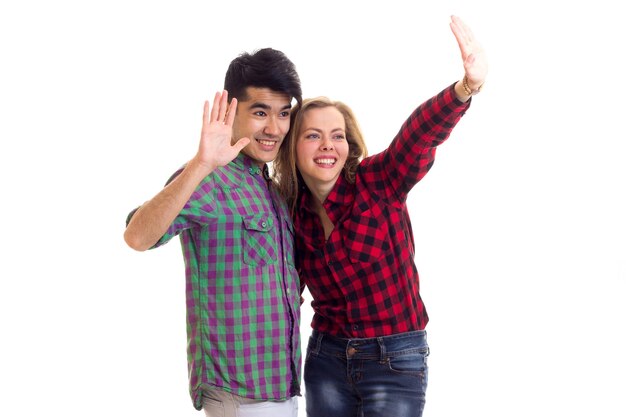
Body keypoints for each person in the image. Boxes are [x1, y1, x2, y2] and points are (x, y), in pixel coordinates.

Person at [272, 16, 488, 417]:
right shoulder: (290, 212)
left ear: (348, 143)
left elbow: (417, 136)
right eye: (313, 135)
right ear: (294, 147)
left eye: (337, 135)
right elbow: (282, 290)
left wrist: (463, 90)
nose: (327, 145)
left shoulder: (378, 181)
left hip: (396, 359)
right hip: (326, 359)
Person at [124, 48, 303, 417]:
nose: (274, 128)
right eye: (260, 112)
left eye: (284, 113)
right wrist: (201, 163)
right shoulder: (209, 179)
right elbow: (137, 236)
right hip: (239, 394)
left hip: (281, 387)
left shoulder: (269, 187)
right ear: (232, 109)